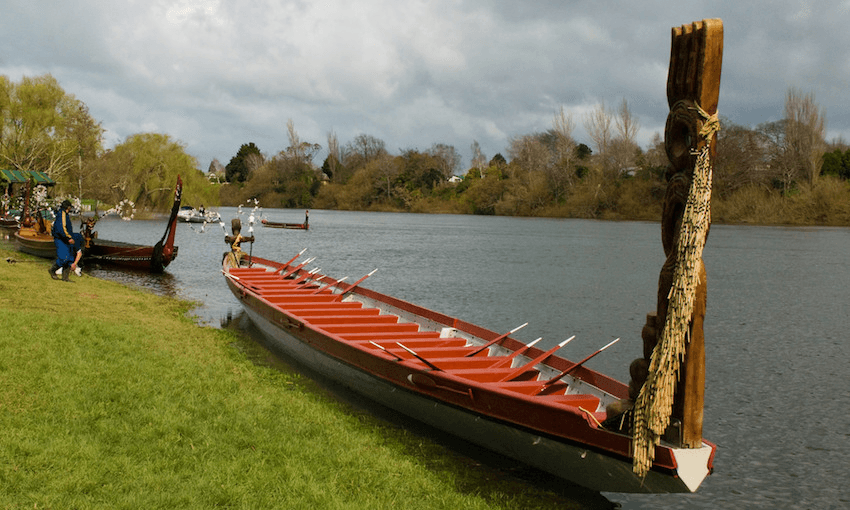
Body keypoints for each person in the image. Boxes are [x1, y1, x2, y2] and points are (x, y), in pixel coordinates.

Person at [49, 200, 83, 281]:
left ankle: (65, 277)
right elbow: (62, 229)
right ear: (68, 207)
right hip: (61, 238)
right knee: (63, 257)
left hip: (65, 238)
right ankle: (52, 270)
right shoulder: (62, 214)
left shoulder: (64, 214)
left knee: (70, 257)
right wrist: (69, 238)